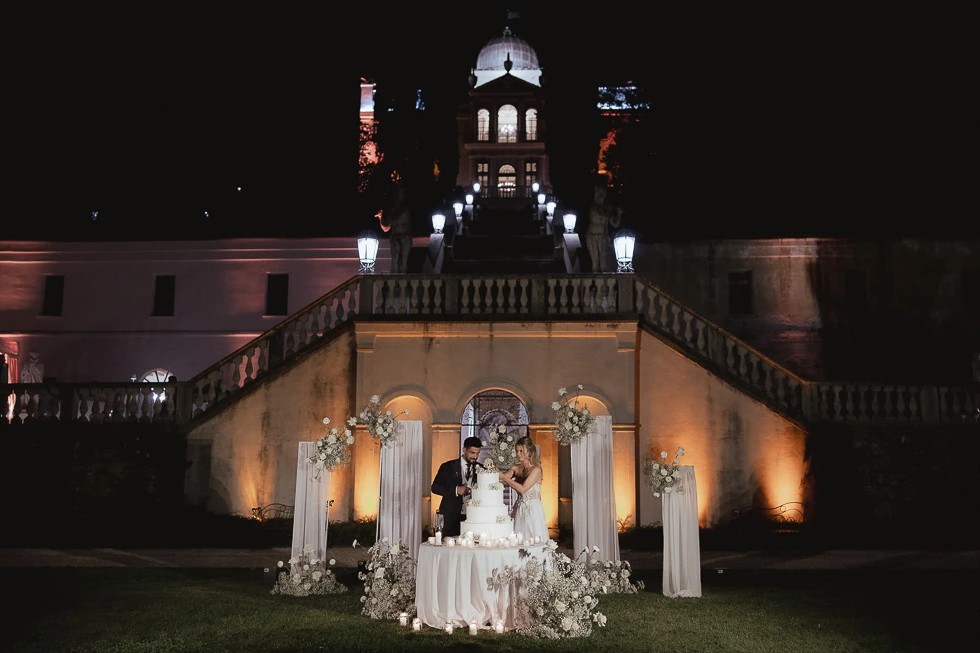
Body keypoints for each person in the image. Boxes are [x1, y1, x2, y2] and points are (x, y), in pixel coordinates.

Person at [431, 436, 483, 537]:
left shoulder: (481, 468)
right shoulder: (447, 466)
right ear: (464, 450)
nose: (475, 457)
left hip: (472, 518)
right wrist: (456, 490)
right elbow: (435, 487)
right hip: (450, 516)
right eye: (472, 453)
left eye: (477, 453)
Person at [501, 435, 548, 542]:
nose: (518, 454)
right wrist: (493, 472)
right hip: (519, 508)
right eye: (517, 451)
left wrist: (504, 477)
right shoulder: (516, 468)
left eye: (521, 451)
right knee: (518, 539)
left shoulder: (536, 470)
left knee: (533, 540)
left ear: (530, 451)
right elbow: (500, 479)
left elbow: (523, 489)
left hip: (533, 510)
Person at [585, 183, 623, 272]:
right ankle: (596, 281)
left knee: (603, 262)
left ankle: (604, 283)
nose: (601, 195)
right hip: (593, 236)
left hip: (603, 237)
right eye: (599, 192)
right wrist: (609, 210)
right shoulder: (594, 207)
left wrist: (619, 213)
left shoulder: (606, 208)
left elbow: (615, 224)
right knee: (595, 261)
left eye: (603, 192)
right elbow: (599, 216)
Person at [380, 185, 413, 273]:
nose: (398, 195)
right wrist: (381, 217)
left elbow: (395, 221)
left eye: (400, 192)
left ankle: (402, 281)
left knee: (404, 261)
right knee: (395, 260)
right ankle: (394, 281)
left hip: (405, 237)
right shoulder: (392, 210)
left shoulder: (405, 210)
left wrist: (386, 217)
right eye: (397, 192)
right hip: (395, 237)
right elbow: (386, 227)